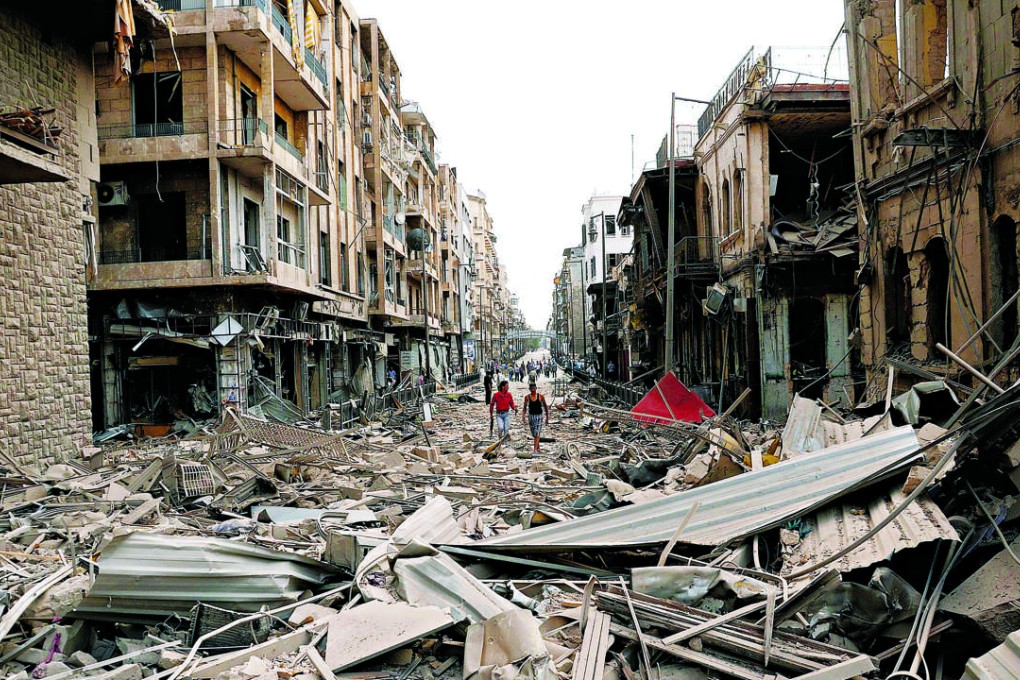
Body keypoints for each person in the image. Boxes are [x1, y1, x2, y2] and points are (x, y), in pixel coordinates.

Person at [522, 381, 550, 452]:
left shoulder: (540, 396)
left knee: (537, 432)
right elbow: (524, 408)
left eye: (534, 388)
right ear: (529, 389)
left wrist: (547, 417)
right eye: (531, 388)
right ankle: (538, 448)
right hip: (531, 417)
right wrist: (523, 416)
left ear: (536, 388)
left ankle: (535, 450)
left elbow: (545, 407)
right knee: (534, 433)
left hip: (539, 416)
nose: (532, 390)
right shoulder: (527, 397)